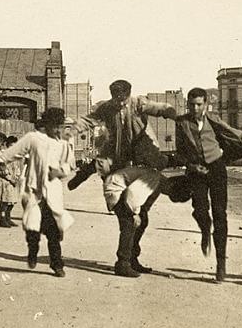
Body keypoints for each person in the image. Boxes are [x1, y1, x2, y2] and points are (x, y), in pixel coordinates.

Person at [71, 79, 177, 278]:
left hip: (142, 159)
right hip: (117, 162)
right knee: (127, 219)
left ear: (129, 94)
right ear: (112, 96)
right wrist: (70, 131)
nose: (120, 104)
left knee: (142, 218)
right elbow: (87, 120)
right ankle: (123, 261)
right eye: (116, 99)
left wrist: (174, 114)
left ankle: (132, 258)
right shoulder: (106, 107)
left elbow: (159, 107)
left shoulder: (138, 103)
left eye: (123, 99)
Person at [175, 88, 242, 283]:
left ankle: (220, 263)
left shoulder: (213, 120)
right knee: (199, 210)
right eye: (191, 104)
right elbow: (180, 152)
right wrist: (191, 166)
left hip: (216, 169)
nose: (195, 108)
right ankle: (205, 229)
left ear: (205, 104)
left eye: (198, 104)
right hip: (196, 171)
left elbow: (236, 133)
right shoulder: (181, 123)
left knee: (220, 214)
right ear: (187, 104)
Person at [0, 108, 75, 277]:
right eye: (55, 126)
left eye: (61, 126)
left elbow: (69, 164)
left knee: (54, 231)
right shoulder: (33, 139)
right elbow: (12, 153)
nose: (59, 130)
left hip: (52, 192)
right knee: (32, 227)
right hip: (33, 191)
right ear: (47, 125)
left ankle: (57, 264)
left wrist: (59, 172)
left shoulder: (64, 143)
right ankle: (32, 251)